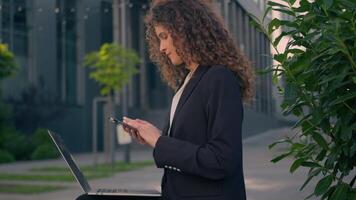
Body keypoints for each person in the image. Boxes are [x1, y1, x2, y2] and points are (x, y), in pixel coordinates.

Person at [123, 1, 255, 200]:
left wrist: (160, 142)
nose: (161, 48)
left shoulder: (219, 78)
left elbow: (222, 160)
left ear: (186, 30)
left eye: (165, 37)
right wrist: (156, 137)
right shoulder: (186, 81)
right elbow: (191, 143)